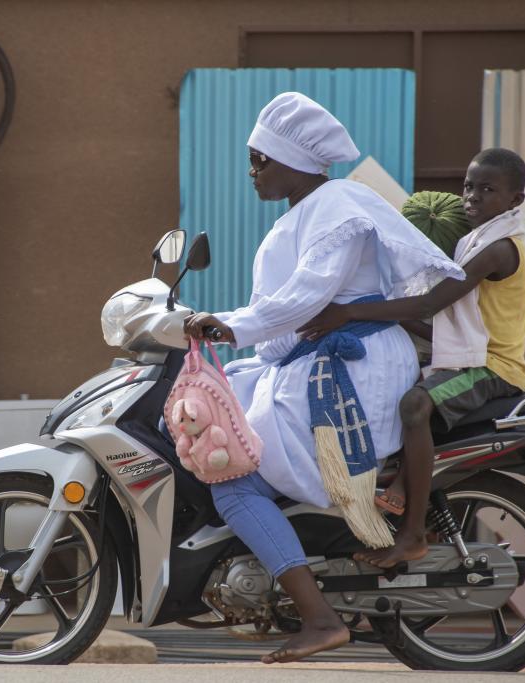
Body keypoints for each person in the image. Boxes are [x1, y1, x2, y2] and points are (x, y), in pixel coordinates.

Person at [183, 92, 462, 664]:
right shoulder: (306, 213)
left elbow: (302, 301)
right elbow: (284, 321)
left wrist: (229, 327)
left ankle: (318, 616)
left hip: (353, 372)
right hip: (319, 364)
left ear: (293, 159)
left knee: (233, 476)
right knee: (228, 413)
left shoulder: (337, 205)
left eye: (259, 158)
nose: (251, 171)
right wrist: (234, 346)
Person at [298, 148, 525, 569]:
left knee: (415, 404)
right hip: (470, 356)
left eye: (487, 189)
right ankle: (401, 488)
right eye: (468, 187)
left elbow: (427, 307)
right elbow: (443, 324)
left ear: (515, 200)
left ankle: (412, 536)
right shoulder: (474, 240)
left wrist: (350, 311)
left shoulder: (498, 249)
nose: (472, 197)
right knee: (399, 392)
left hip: (492, 368)